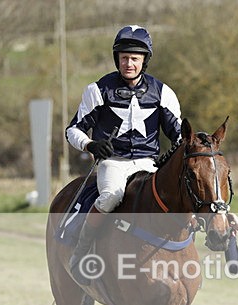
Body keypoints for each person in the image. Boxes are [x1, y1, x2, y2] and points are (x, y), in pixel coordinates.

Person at [65, 25, 182, 284]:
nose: (129, 63)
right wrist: (90, 145)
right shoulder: (98, 90)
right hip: (114, 163)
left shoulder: (163, 93)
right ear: (117, 58)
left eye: (135, 58)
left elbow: (180, 138)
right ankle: (81, 253)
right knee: (110, 196)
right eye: (124, 57)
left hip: (148, 163)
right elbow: (72, 130)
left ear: (145, 61)